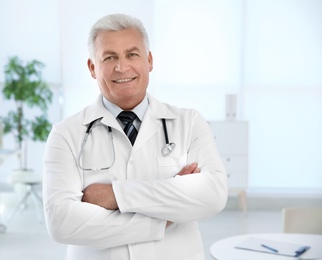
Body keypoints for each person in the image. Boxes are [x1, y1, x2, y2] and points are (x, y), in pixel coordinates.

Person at [43, 13, 228, 260]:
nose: (122, 67)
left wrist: (115, 195)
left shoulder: (189, 122)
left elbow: (212, 195)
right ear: (92, 67)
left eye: (132, 54)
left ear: (149, 60)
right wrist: (163, 218)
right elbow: (61, 222)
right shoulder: (66, 134)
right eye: (110, 57)